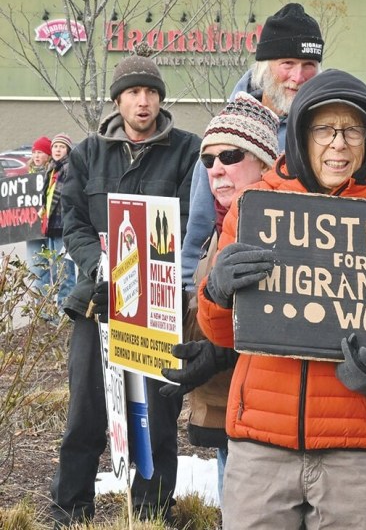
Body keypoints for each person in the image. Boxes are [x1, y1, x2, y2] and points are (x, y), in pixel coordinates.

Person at [196, 68, 366, 529]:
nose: (339, 144)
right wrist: (218, 291)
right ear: (302, 134)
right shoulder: (256, 208)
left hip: (360, 453)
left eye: (353, 130)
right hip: (262, 444)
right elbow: (222, 332)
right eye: (325, 129)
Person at [181, 0, 366, 289]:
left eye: (308, 64)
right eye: (287, 64)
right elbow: (199, 232)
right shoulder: (225, 138)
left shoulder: (349, 120)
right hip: (254, 297)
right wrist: (192, 296)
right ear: (263, 66)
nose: (298, 77)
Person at [49, 44, 200, 528]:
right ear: (118, 101)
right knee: (85, 412)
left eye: (151, 93)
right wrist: (100, 267)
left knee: (158, 418)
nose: (143, 102)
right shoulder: (88, 154)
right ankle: (70, 511)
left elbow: (190, 221)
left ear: (160, 100)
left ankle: (153, 511)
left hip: (159, 305)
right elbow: (69, 218)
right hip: (97, 302)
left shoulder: (187, 151)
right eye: (134, 92)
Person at [160, 91, 280, 502]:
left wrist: (221, 353)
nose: (216, 169)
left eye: (230, 156)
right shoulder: (219, 223)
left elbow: (286, 324)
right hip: (229, 410)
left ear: (265, 162)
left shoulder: (279, 225)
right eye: (207, 160)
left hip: (269, 426)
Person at [39, 132, 76, 308]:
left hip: (64, 225)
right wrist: (44, 208)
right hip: (52, 225)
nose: (58, 149)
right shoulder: (52, 168)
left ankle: (66, 307)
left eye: (61, 146)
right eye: (55, 146)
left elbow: (71, 196)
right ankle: (60, 306)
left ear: (67, 149)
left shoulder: (69, 168)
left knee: (65, 270)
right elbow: (48, 194)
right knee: (55, 268)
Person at [26, 135, 52, 292]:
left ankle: (55, 311)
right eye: (35, 152)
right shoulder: (26, 176)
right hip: (31, 230)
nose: (36, 156)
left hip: (51, 228)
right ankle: (42, 312)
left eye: (41, 152)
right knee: (36, 270)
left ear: (48, 155)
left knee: (57, 271)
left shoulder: (54, 174)